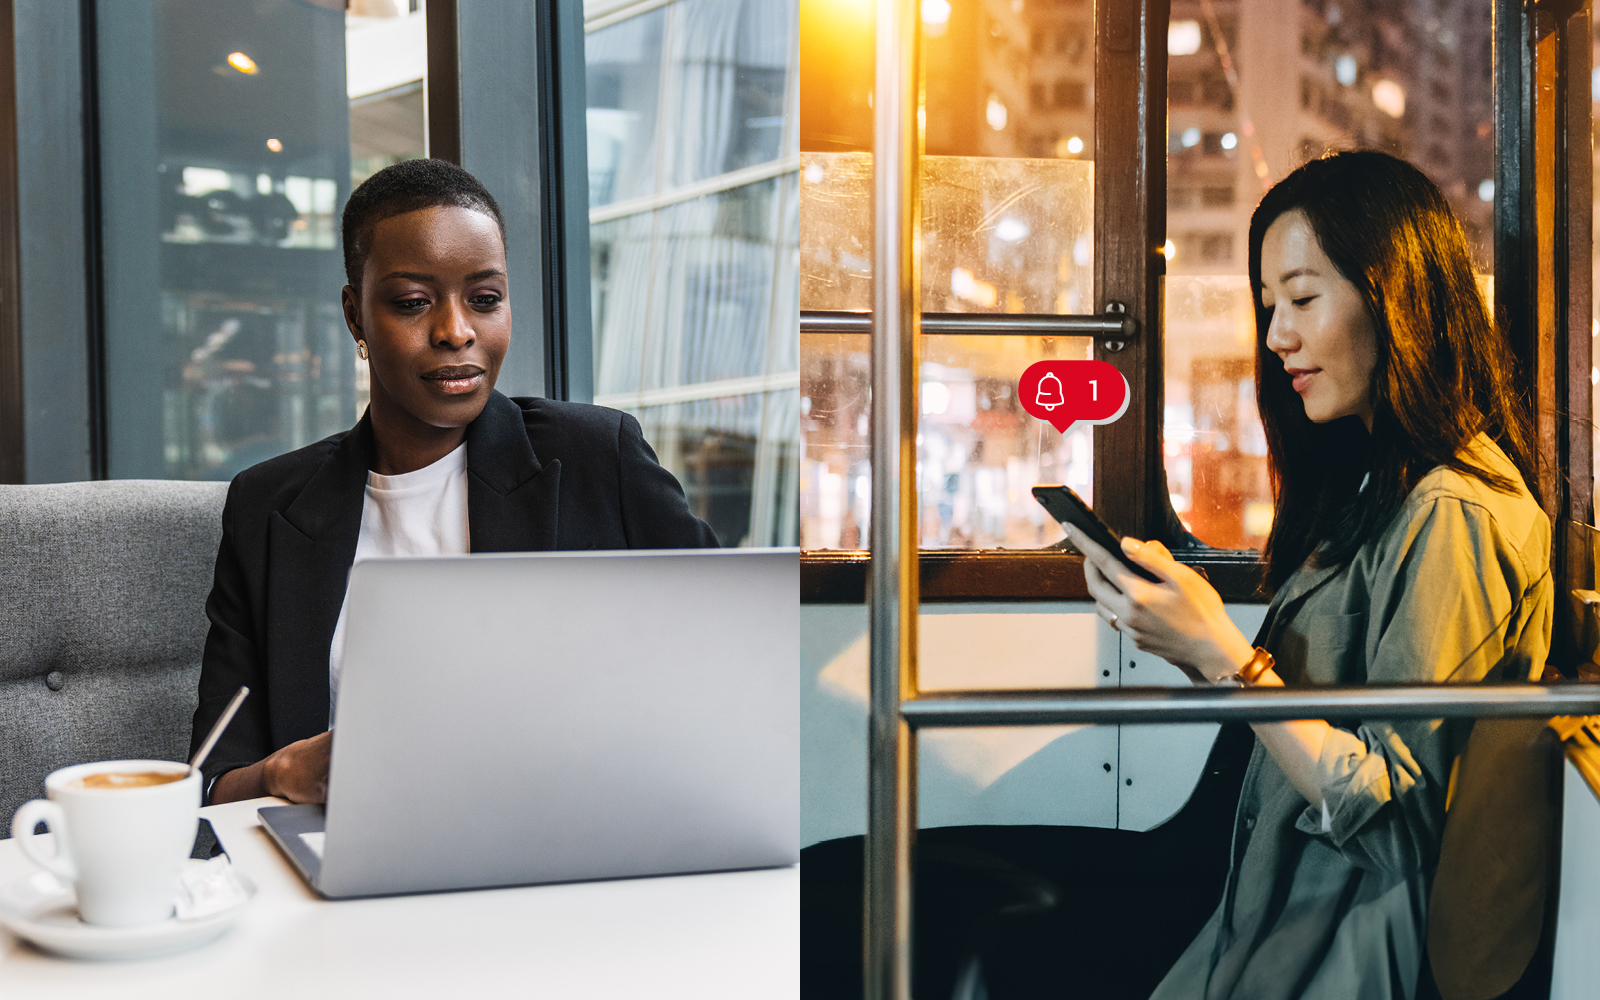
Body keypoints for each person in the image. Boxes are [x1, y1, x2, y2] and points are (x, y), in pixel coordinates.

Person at [1064, 151, 1552, 999]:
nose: (1275, 336)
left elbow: (1398, 824)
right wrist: (1188, 638)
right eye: (1267, 306)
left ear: (1393, 298)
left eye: (1301, 298)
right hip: (1260, 898)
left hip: (1326, 941)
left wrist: (1227, 657)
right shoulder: (1375, 484)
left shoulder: (1454, 513)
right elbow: (1321, 708)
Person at [190, 159, 718, 806]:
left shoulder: (596, 458)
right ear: (356, 318)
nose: (456, 331)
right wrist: (283, 774)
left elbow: (725, 665)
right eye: (413, 303)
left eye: (485, 299)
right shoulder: (268, 506)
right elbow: (213, 780)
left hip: (573, 840)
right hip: (349, 858)